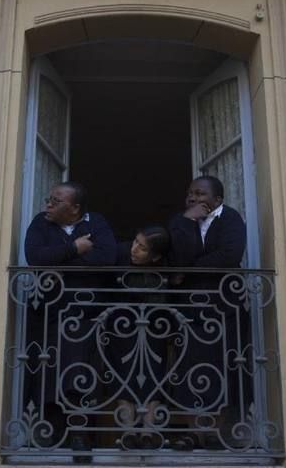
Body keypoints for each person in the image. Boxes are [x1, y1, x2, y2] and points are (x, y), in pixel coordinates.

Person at [23, 181, 116, 461]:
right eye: (48, 198)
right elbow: (35, 258)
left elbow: (106, 258)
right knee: (47, 374)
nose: (47, 205)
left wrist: (61, 263)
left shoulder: (96, 223)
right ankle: (50, 433)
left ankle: (79, 436)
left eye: (55, 201)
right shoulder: (41, 223)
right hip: (48, 313)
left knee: (80, 375)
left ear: (75, 208)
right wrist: (75, 248)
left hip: (85, 315)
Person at [167, 175, 247, 450]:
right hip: (190, 308)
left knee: (222, 367)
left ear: (217, 200)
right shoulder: (181, 222)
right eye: (190, 193)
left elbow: (229, 255)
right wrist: (187, 221)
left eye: (200, 193)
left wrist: (188, 270)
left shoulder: (231, 219)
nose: (193, 198)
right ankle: (194, 431)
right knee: (191, 367)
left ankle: (215, 431)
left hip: (224, 306)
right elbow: (177, 255)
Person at [108, 226, 170, 448]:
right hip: (121, 327)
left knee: (153, 376)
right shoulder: (119, 254)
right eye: (135, 242)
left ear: (156, 257)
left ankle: (148, 432)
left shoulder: (163, 270)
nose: (134, 249)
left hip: (153, 328)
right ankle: (127, 432)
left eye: (142, 248)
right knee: (123, 376)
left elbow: (159, 304)